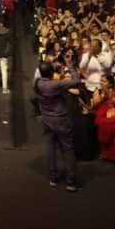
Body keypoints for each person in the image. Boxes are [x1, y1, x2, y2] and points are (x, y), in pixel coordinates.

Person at [33, 61, 80, 191]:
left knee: (50, 148)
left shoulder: (36, 83)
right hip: (60, 119)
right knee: (68, 149)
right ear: (51, 73)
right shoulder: (56, 84)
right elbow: (76, 80)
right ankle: (70, 181)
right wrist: (70, 66)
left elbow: (33, 99)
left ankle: (53, 178)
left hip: (46, 119)